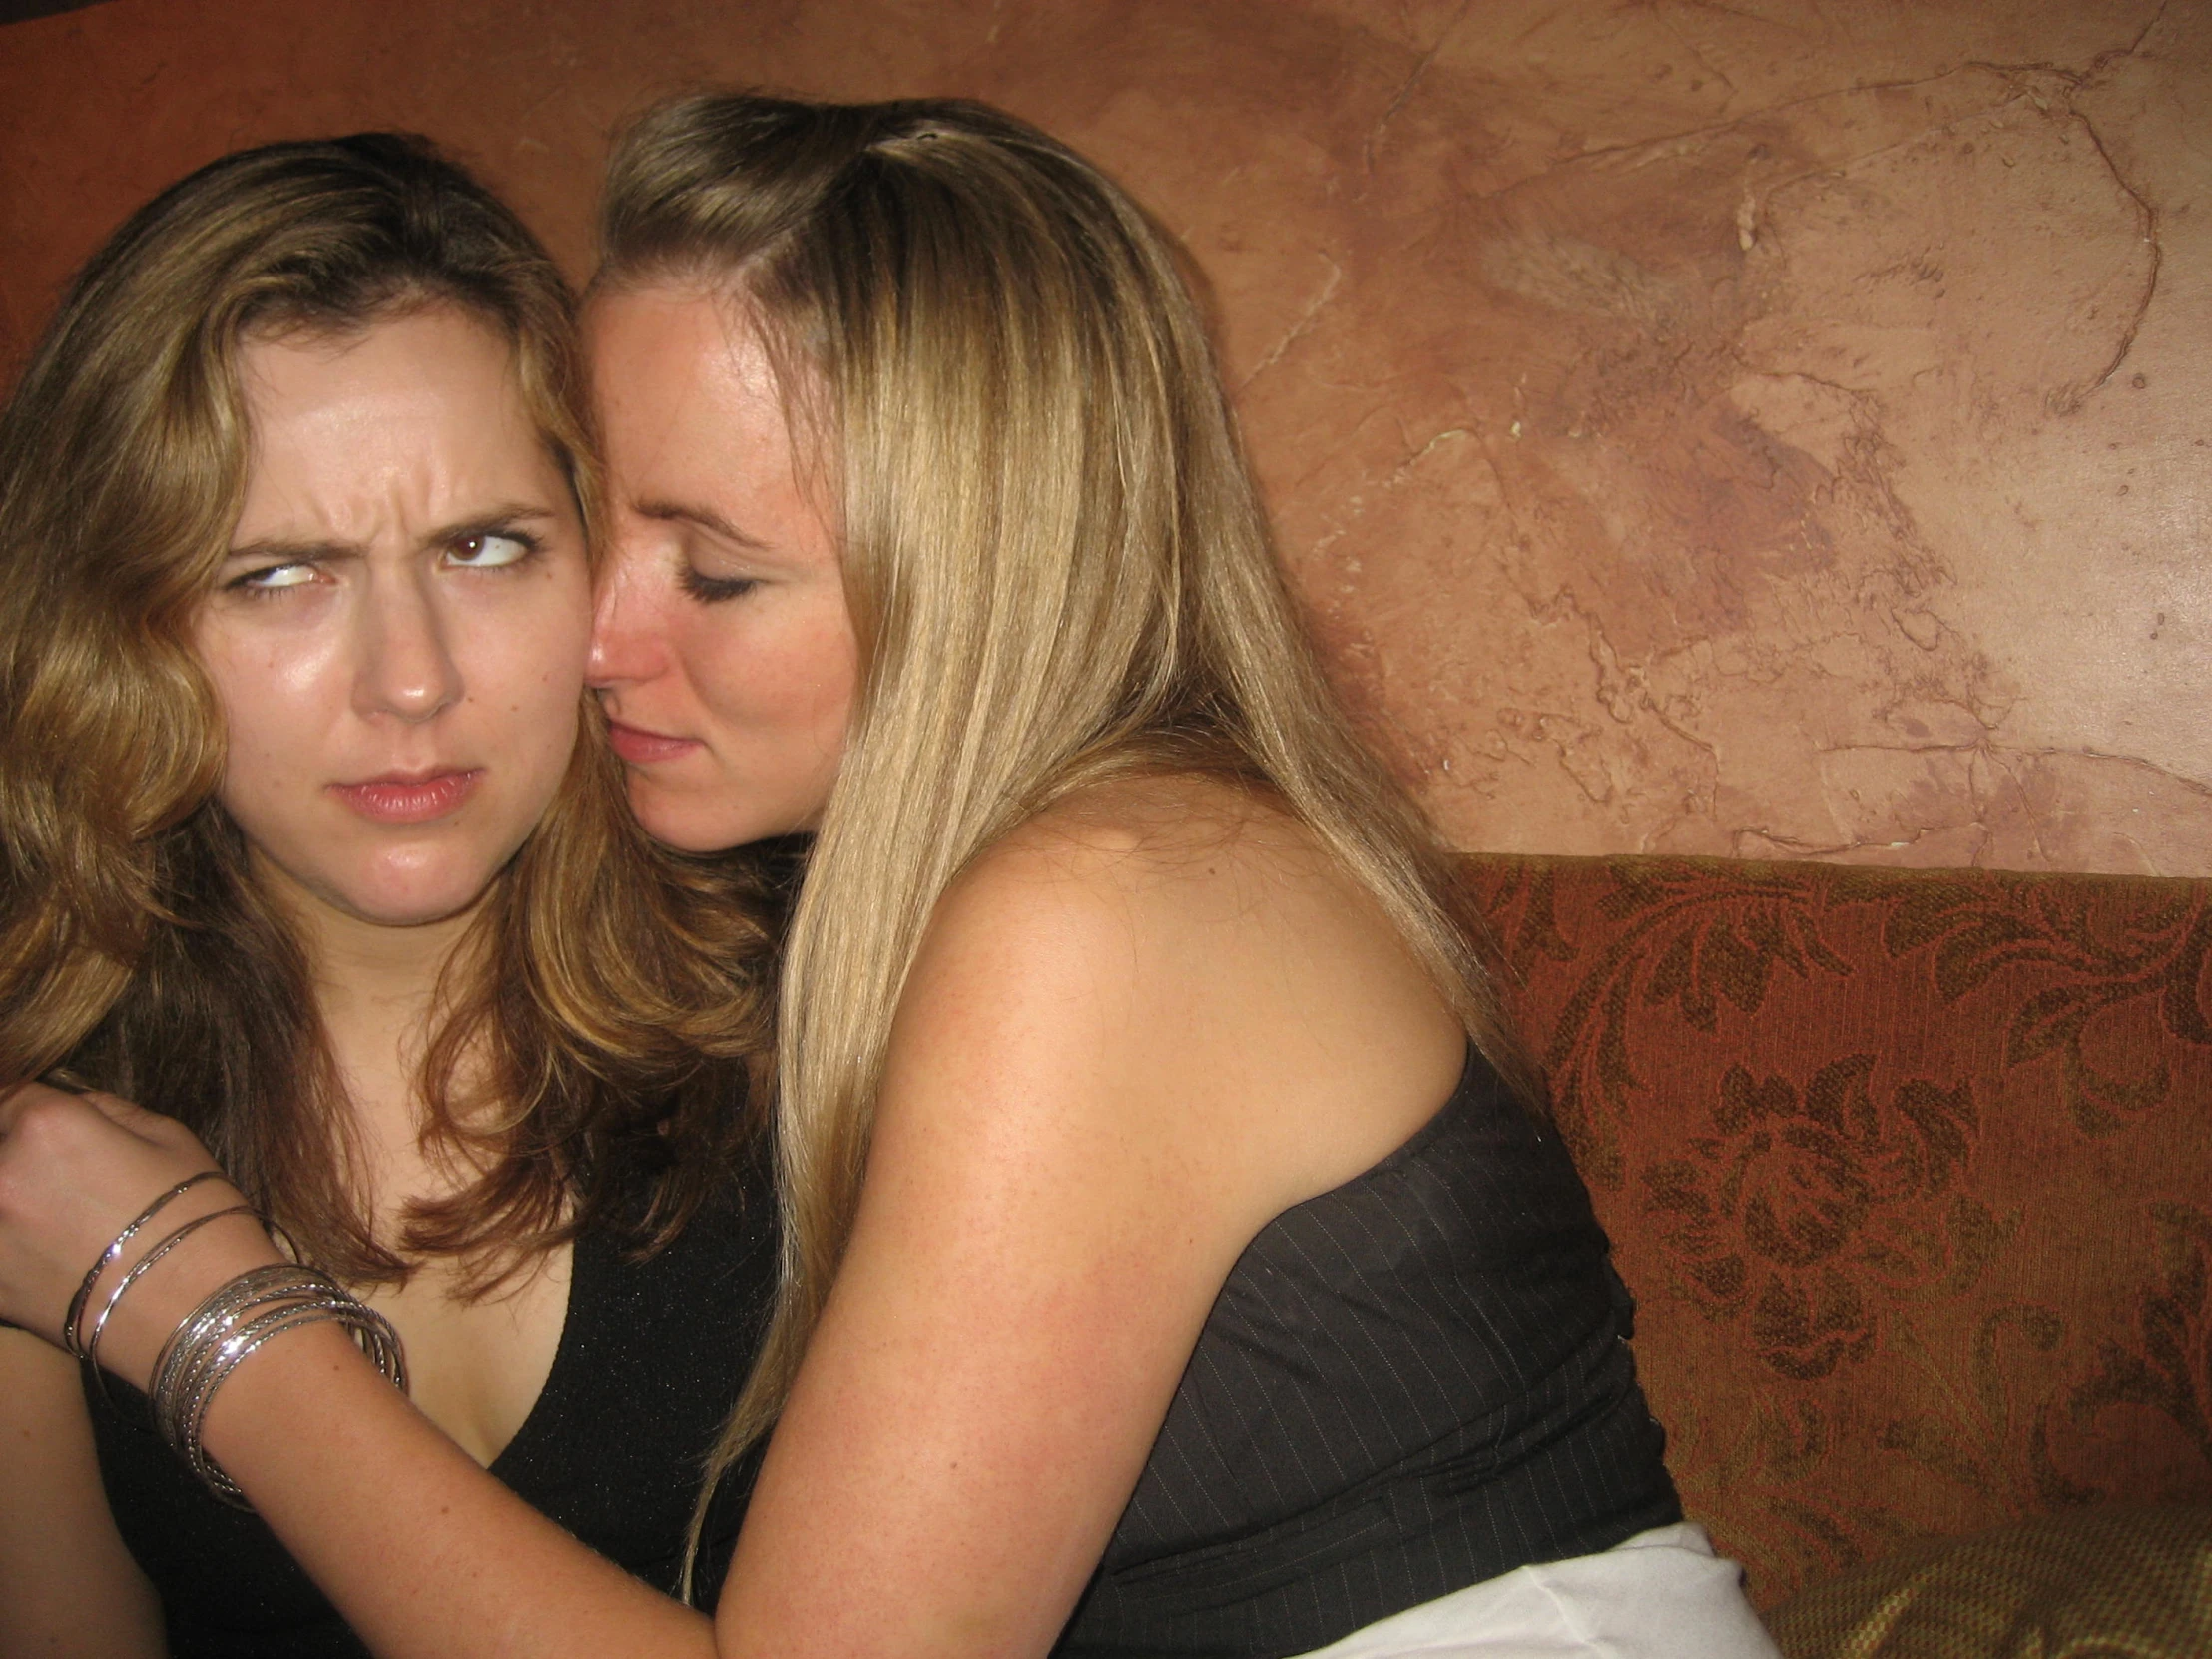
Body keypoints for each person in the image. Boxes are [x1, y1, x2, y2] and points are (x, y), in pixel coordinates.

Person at [0, 97, 1783, 1659]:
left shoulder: (1081, 916)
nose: (575, 645)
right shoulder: (925, 921)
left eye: (704, 569)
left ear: (970, 575)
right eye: (273, 575)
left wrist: (198, 1305)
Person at [0, 134, 778, 1659]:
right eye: (278, 574)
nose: (410, 680)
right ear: (118, 623)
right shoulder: (38, 1130)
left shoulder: (825, 1004)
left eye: (484, 546)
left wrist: (206, 1317)